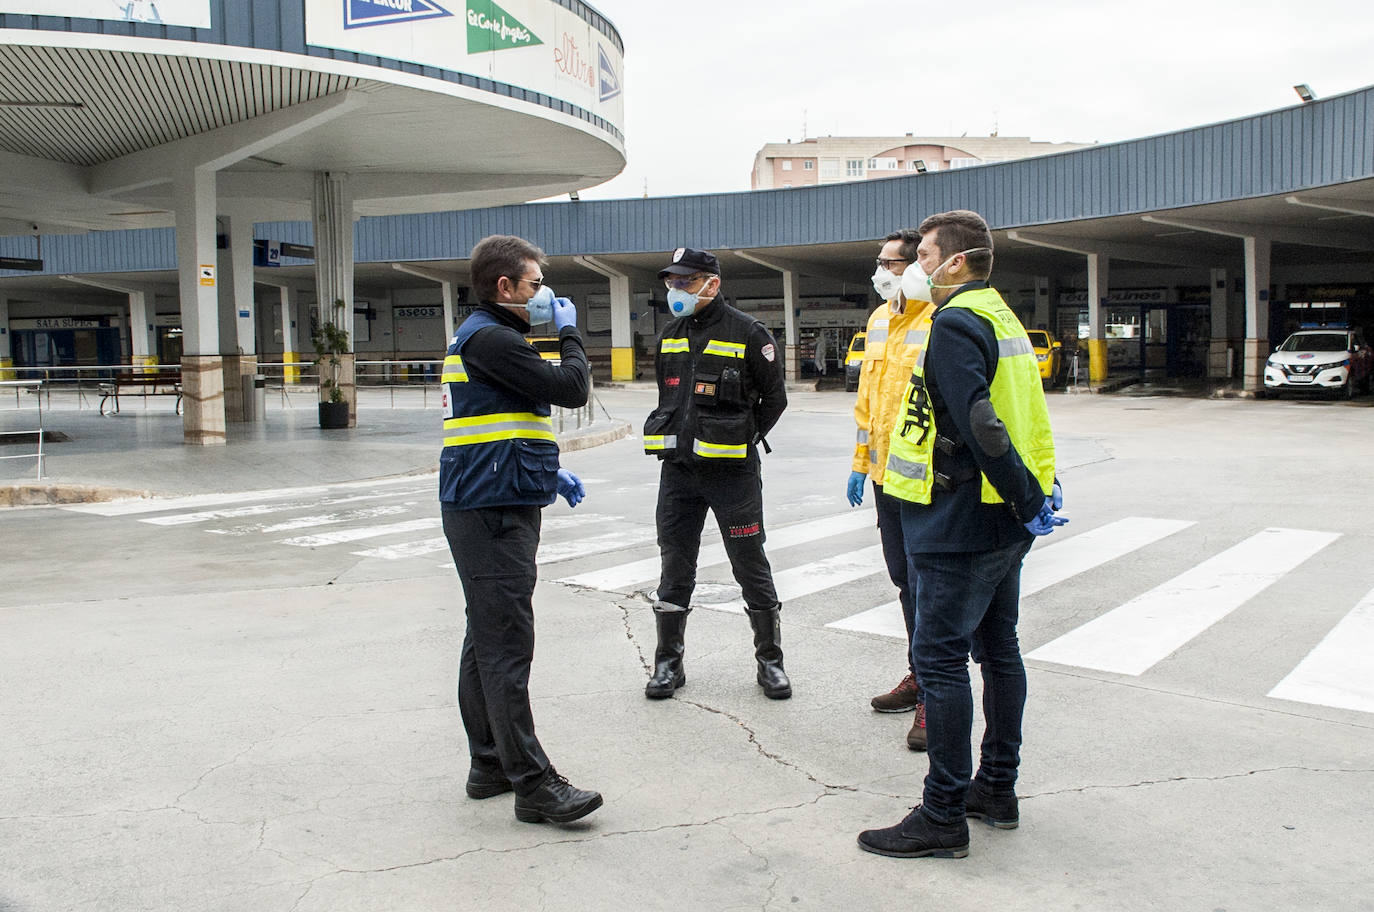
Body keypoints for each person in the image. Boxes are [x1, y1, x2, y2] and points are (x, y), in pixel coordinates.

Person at [857, 210, 1067, 859]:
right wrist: (1033, 496)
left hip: (961, 520)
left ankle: (943, 812)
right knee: (998, 649)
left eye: (923, 254)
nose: (914, 266)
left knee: (942, 660)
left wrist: (1026, 494)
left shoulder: (952, 322)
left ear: (954, 261)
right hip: (1003, 519)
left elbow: (983, 424)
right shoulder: (1000, 315)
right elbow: (1017, 410)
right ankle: (995, 789)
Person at [440, 234, 602, 825]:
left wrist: (546, 470)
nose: (544, 295)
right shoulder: (493, 338)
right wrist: (569, 334)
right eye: (536, 285)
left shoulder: (488, 337)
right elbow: (571, 388)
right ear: (505, 287)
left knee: (485, 636)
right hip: (492, 509)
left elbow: (498, 418)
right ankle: (534, 785)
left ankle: (489, 765)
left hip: (490, 495)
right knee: (506, 643)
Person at [642, 247, 791, 700]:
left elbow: (775, 399)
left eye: (686, 281)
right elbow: (671, 401)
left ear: (712, 284)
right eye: (672, 282)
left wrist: (740, 438)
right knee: (675, 566)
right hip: (679, 474)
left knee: (750, 563)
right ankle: (668, 665)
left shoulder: (749, 332)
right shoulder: (670, 333)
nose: (677, 289)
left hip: (733, 476)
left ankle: (770, 663)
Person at [845, 228, 934, 751]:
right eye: (879, 262)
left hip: (925, 482)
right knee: (905, 583)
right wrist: (860, 464)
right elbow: (868, 405)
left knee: (929, 589)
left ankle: (935, 694)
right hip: (884, 480)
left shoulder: (939, 319)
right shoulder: (880, 320)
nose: (881, 272)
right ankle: (918, 675)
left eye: (893, 263)